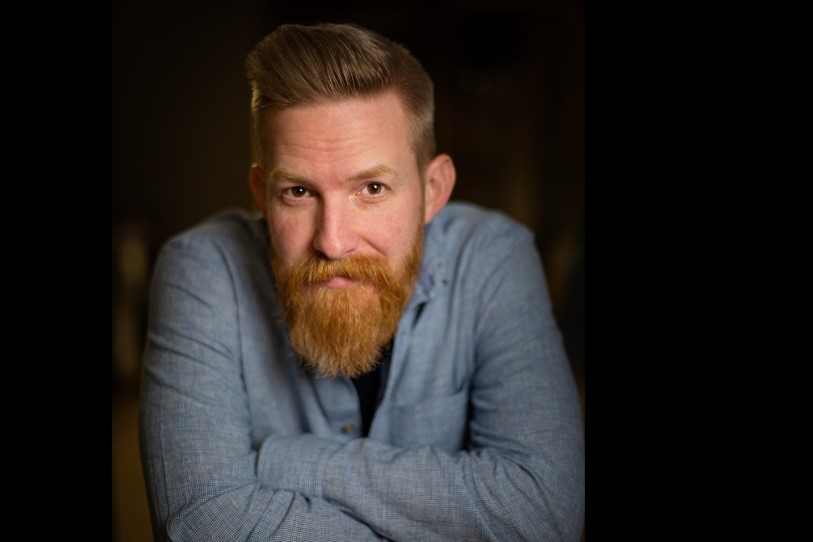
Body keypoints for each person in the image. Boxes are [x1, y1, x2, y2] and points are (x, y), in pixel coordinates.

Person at [139, 22, 584, 541]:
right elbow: (200, 524)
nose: (332, 242)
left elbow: (543, 512)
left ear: (433, 190)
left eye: (372, 188)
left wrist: (292, 460)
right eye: (298, 192)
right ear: (262, 194)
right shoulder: (200, 271)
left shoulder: (494, 258)